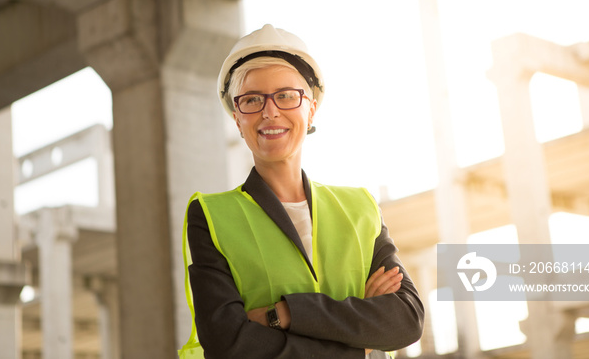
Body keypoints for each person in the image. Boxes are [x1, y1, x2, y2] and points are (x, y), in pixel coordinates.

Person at [179, 25, 424, 358]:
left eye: (285, 95)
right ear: (237, 119)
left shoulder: (360, 208)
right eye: (252, 100)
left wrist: (283, 314)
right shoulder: (211, 216)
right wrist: (358, 341)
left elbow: (405, 319)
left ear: (310, 109)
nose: (270, 111)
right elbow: (229, 344)